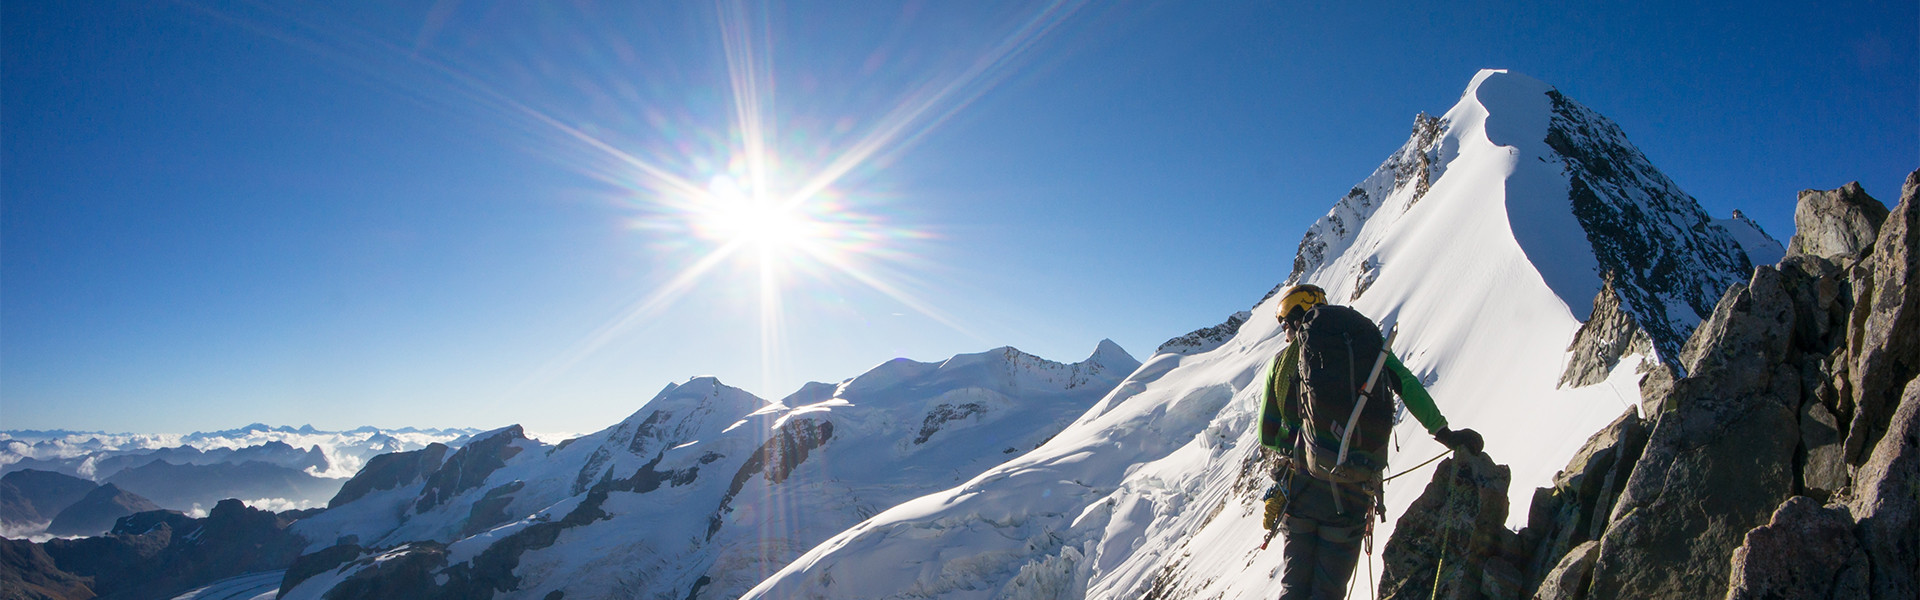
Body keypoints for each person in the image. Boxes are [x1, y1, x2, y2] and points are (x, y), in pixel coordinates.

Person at [1258, 283, 1482, 600]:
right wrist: (1445, 434)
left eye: (1284, 324)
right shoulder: (1362, 347)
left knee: (1294, 587)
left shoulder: (1281, 364)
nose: (1284, 333)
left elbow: (1267, 435)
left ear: (1294, 319)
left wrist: (1300, 443)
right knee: (1329, 591)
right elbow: (1406, 384)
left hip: (1302, 494)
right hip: (1352, 491)